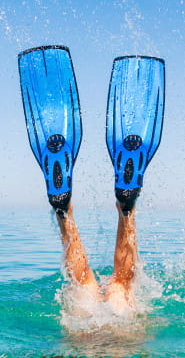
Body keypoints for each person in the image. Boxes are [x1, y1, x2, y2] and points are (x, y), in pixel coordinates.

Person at [18, 46, 165, 315]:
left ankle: (78, 210)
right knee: (115, 284)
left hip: (82, 340)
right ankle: (117, 207)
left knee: (94, 283)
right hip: (119, 341)